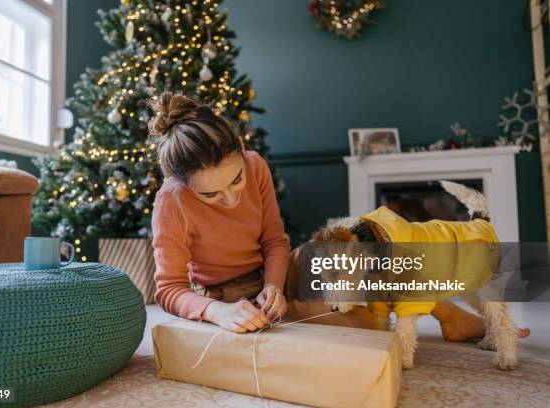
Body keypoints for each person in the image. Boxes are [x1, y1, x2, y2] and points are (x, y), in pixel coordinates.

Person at [149, 91, 530, 340]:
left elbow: (274, 242)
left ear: (243, 148)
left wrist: (275, 285)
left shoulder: (255, 164)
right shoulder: (171, 202)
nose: (231, 198)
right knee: (373, 322)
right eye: (212, 194)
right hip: (228, 292)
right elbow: (168, 289)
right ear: (181, 184)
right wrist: (216, 310)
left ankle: (450, 316)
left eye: (236, 181)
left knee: (364, 253)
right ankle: (296, 311)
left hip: (277, 267)